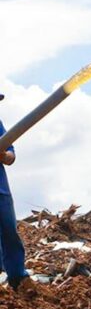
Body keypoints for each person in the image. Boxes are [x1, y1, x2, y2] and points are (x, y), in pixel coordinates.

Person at [0, 94, 28, 291]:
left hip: (0, 189)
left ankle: (18, 277)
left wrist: (3, 155)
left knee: (9, 230)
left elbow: (11, 155)